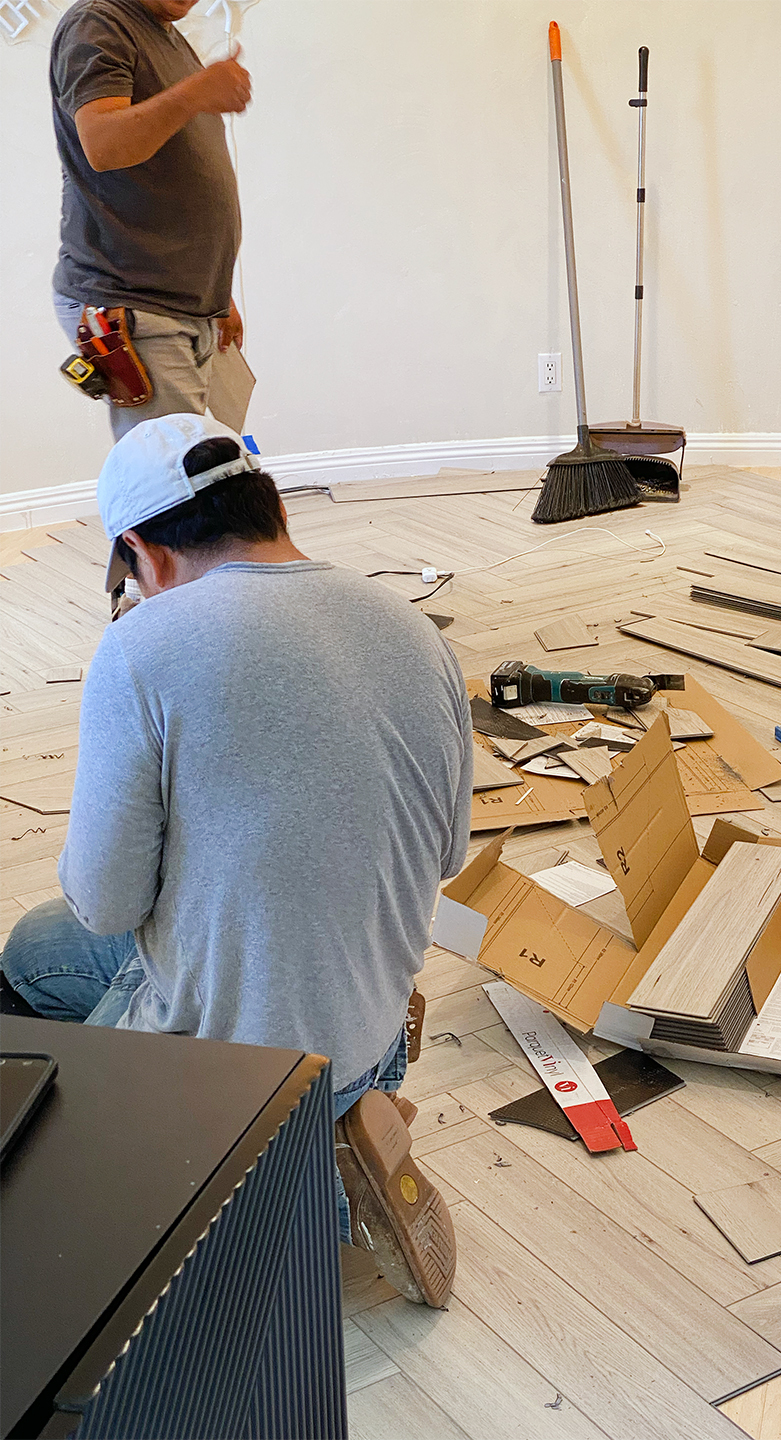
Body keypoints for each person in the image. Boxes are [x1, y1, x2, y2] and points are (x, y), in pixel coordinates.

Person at [0, 414, 473, 1308]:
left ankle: (267, 1181)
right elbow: (446, 853)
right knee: (39, 944)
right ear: (274, 505)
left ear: (143, 552)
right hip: (374, 1029)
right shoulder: (414, 629)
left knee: (34, 1077)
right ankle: (352, 1109)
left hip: (227, 1081)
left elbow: (106, 903)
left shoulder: (142, 650)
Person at [50, 0, 249, 439]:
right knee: (174, 477)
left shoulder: (162, 34)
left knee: (188, 464)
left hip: (178, 301)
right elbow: (104, 145)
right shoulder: (98, 22)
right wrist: (196, 92)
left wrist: (217, 293)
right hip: (134, 298)